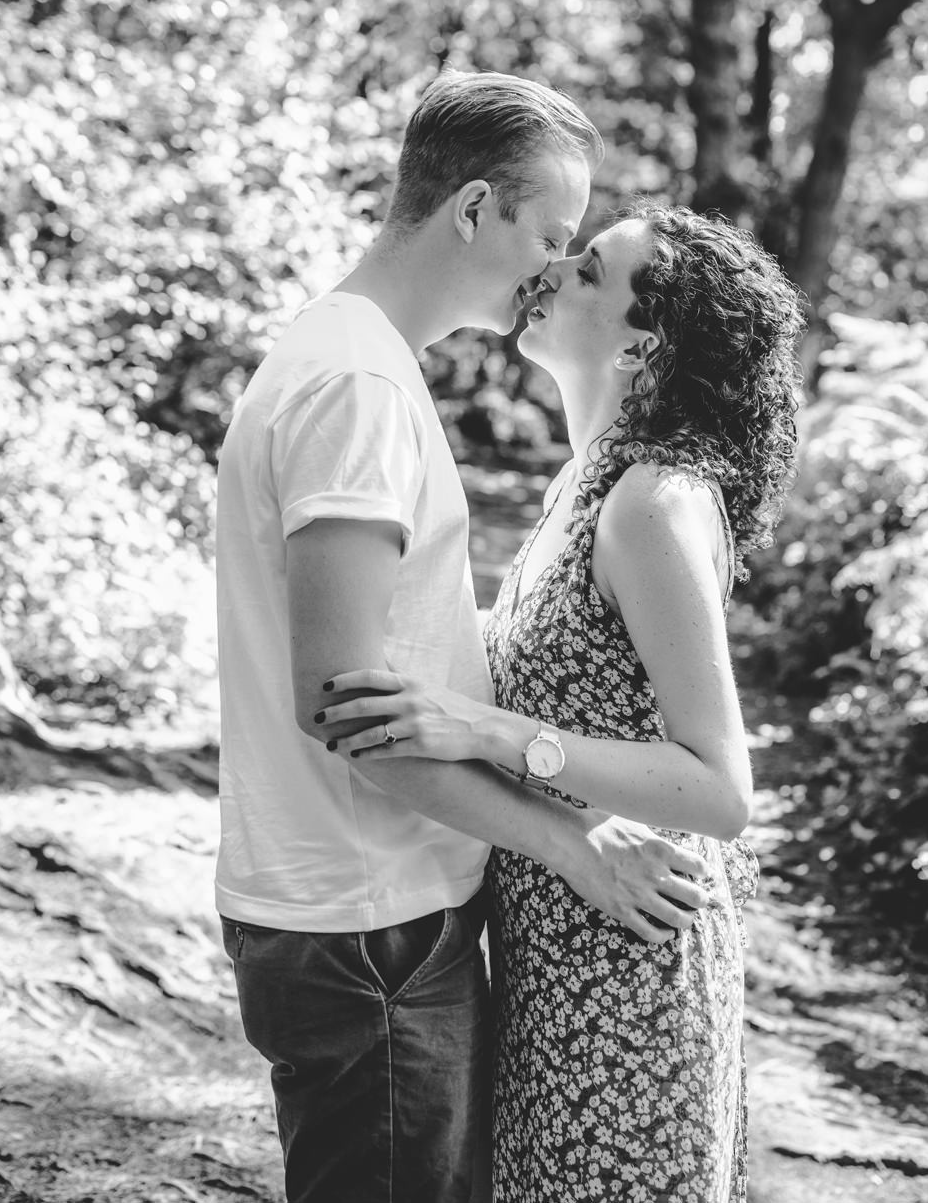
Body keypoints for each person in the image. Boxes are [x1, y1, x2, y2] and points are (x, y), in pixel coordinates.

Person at [214, 72, 721, 1203]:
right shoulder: (353, 384)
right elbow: (351, 709)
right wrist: (572, 846)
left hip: (375, 916)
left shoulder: (361, 360)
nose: (550, 264)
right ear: (474, 209)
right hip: (367, 929)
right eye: (550, 232)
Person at [325, 207, 806, 1201]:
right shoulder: (584, 483)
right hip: (555, 962)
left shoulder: (652, 502)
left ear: (639, 344)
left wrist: (487, 730)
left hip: (625, 980)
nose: (552, 266)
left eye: (587, 267)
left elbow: (719, 790)